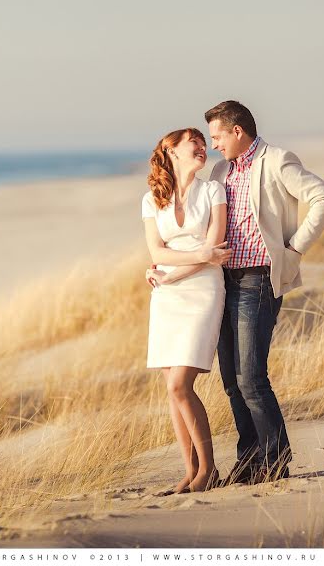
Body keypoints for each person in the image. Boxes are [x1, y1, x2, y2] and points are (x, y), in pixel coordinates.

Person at [205, 100, 324, 486]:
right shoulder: (220, 170)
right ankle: (249, 460)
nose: (215, 145)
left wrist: (294, 249)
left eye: (217, 137)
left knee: (251, 377)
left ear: (237, 131)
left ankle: (276, 460)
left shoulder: (277, 160)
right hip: (223, 283)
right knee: (231, 380)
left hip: (259, 281)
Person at [141, 127, 231, 494]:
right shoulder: (152, 200)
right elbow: (157, 252)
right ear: (171, 151)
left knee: (181, 384)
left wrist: (175, 273)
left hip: (202, 290)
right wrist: (195, 259)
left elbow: (216, 248)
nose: (202, 147)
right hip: (166, 295)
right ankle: (190, 471)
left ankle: (208, 470)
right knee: (171, 389)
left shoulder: (213, 190)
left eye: (202, 142)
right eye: (192, 142)